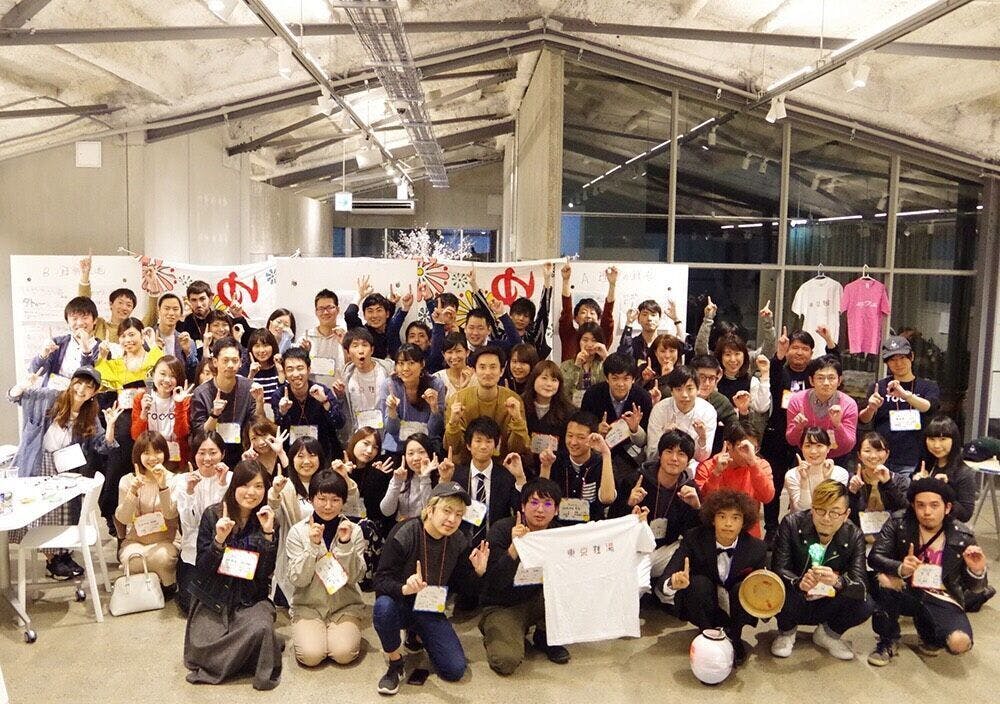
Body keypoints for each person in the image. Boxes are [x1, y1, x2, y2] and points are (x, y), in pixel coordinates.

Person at [373, 481, 490, 694]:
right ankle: (395, 663)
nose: (452, 519)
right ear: (430, 509)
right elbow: (380, 580)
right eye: (447, 511)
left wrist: (478, 573)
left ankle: (416, 634)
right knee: (383, 607)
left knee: (454, 670)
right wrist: (404, 588)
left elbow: (464, 588)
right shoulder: (406, 532)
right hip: (399, 603)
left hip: (429, 607)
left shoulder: (458, 540)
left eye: (458, 514)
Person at [7, 366, 121, 578]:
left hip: (64, 469)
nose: (82, 389)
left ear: (94, 392)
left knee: (65, 512)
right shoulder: (50, 397)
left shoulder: (90, 413)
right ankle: (53, 560)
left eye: (89, 386)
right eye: (79, 383)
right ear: (71, 383)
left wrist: (111, 425)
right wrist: (23, 385)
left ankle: (61, 555)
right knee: (43, 515)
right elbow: (14, 397)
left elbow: (102, 445)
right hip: (38, 464)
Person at [867, 478, 989, 666]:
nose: (927, 512)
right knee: (885, 579)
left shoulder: (962, 535)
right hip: (906, 588)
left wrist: (977, 570)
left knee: (960, 643)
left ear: (947, 507)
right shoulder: (899, 522)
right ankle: (888, 639)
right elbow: (875, 557)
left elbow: (976, 589)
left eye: (934, 505)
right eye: (920, 505)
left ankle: (929, 634)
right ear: (913, 506)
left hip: (942, 594)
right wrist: (900, 567)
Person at [184, 460, 281, 690]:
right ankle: (248, 652)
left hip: (249, 599)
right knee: (201, 648)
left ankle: (249, 649)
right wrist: (219, 540)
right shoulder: (213, 515)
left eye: (258, 486)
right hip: (214, 599)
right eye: (245, 485)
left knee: (262, 628)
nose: (251, 492)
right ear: (234, 485)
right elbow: (202, 569)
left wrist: (268, 535)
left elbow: (264, 573)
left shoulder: (268, 520)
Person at [657, 488, 768, 666]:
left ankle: (735, 636)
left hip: (735, 605)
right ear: (712, 519)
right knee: (698, 583)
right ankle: (708, 633)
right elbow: (666, 578)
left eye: (735, 518)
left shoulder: (757, 548)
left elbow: (764, 589)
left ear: (744, 522)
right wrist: (673, 583)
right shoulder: (694, 538)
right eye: (722, 516)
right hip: (705, 601)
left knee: (745, 587)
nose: (728, 523)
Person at [771, 480, 876, 660]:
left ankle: (828, 634)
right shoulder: (791, 524)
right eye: (820, 510)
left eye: (835, 512)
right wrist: (798, 583)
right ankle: (786, 632)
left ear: (846, 514)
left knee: (866, 604)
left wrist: (838, 582)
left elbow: (861, 584)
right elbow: (779, 568)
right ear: (812, 508)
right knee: (774, 587)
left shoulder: (854, 535)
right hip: (795, 599)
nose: (826, 518)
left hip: (829, 600)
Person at [479, 477, 569, 675]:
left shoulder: (559, 534)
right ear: (522, 506)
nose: (540, 510)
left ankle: (544, 636)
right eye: (534, 502)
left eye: (548, 504)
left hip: (539, 599)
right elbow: (492, 582)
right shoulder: (502, 530)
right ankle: (494, 629)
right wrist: (514, 548)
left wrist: (633, 523)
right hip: (504, 605)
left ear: (556, 509)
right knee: (505, 661)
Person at [762, 327, 838, 539]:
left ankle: (806, 526)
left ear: (812, 352)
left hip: (809, 438)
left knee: (809, 481)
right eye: (794, 347)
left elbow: (834, 367)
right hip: (779, 435)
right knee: (775, 484)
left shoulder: (815, 375)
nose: (799, 352)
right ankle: (771, 529)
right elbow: (774, 370)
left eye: (805, 348)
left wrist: (829, 341)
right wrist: (779, 353)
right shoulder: (781, 371)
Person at [285, 469, 366, 667]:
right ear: (311, 499)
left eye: (335, 500)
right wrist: (312, 547)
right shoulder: (298, 532)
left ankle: (339, 633)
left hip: (345, 606)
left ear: (343, 501)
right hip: (308, 607)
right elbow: (298, 580)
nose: (328, 506)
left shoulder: (354, 531)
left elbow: (356, 577)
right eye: (322, 499)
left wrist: (345, 545)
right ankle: (316, 634)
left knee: (344, 654)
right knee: (311, 656)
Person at [620, 431, 702, 598]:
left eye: (681, 454)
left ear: (688, 461)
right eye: (669, 451)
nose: (674, 458)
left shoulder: (689, 488)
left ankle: (663, 590)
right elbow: (613, 521)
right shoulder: (636, 480)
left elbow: (693, 534)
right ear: (660, 455)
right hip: (635, 549)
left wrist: (696, 507)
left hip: (665, 549)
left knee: (689, 553)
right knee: (633, 590)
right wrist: (628, 504)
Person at [858, 335, 940, 476]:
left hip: (913, 458)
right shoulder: (879, 387)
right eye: (892, 360)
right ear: (887, 363)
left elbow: (929, 407)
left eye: (902, 358)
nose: (898, 363)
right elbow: (863, 420)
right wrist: (871, 408)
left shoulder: (927, 386)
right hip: (880, 456)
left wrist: (906, 396)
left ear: (911, 357)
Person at [114, 431, 180, 598]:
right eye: (146, 452)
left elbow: (170, 514)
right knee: (132, 559)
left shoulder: (174, 480)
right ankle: (142, 590)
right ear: (138, 455)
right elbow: (123, 518)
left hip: (166, 540)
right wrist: (133, 491)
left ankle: (167, 585)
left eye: (157, 451)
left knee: (162, 558)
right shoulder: (127, 480)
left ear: (165, 453)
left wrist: (163, 486)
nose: (152, 458)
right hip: (136, 540)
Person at [174, 430, 230, 612]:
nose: (207, 458)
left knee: (224, 602)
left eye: (213, 453)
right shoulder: (183, 480)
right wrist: (190, 491)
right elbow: (189, 523)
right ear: (194, 454)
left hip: (224, 550)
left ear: (222, 454)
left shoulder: (232, 479)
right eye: (202, 452)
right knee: (189, 605)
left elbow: (224, 518)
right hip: (193, 551)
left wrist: (222, 486)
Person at [444, 347, 530, 465]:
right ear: (474, 371)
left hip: (504, 465)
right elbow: (453, 447)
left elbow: (518, 449)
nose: (488, 372)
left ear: (501, 371)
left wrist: (517, 420)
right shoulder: (458, 400)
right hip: (466, 466)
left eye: (493, 367)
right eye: (482, 367)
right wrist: (453, 423)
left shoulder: (513, 400)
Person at [268, 436, 327, 602]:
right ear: (292, 459)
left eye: (312, 455)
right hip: (294, 556)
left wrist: (346, 481)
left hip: (324, 553)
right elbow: (275, 517)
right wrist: (275, 494)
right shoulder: (286, 487)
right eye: (300, 456)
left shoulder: (329, 483)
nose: (306, 461)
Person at [191, 336, 263, 467]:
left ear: (240, 362)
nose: (230, 365)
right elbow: (199, 434)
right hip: (211, 457)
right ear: (215, 362)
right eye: (225, 360)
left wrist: (259, 402)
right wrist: (214, 415)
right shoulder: (201, 393)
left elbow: (257, 424)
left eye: (235, 360)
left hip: (243, 455)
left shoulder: (249, 388)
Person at [694, 424, 773, 538]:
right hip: (713, 534)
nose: (749, 454)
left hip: (749, 535)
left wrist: (753, 464)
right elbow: (703, 503)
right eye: (744, 448)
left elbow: (767, 497)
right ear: (729, 445)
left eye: (753, 449)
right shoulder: (707, 467)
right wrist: (716, 474)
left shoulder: (761, 465)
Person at [580, 353, 653, 473]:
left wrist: (635, 429)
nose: (620, 384)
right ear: (607, 378)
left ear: (633, 379)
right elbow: (583, 428)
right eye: (615, 378)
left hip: (632, 459)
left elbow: (644, 442)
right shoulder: (592, 394)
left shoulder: (643, 398)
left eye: (626, 378)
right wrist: (596, 429)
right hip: (597, 454)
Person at [538, 411, 616, 522]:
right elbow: (541, 498)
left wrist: (606, 453)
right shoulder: (555, 460)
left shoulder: (602, 463)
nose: (573, 442)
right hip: (558, 525)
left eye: (581, 437)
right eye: (570, 435)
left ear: (592, 437)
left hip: (591, 526)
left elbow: (607, 499)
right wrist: (546, 467)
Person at [272, 347, 345, 460]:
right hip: (292, 455)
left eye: (300, 368)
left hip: (322, 453)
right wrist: (282, 412)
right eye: (290, 369)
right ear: (285, 373)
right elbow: (278, 430)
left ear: (309, 369)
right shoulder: (279, 395)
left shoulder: (322, 391)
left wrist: (325, 402)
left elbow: (339, 423)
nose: (296, 374)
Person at [785, 355, 858, 460]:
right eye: (820, 378)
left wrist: (838, 425)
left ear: (839, 380)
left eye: (831, 378)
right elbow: (791, 441)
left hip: (838, 458)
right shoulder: (797, 401)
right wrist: (799, 427)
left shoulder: (849, 405)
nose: (826, 383)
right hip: (807, 457)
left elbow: (849, 445)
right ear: (811, 380)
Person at [131, 355, 194, 469]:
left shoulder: (183, 399)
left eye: (173, 376)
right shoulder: (141, 398)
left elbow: (182, 433)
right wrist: (144, 413)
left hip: (176, 458)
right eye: (163, 374)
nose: (167, 380)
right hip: (149, 457)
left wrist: (179, 404)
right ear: (153, 374)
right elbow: (136, 436)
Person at [646, 366, 717, 462]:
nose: (684, 395)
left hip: (691, 465)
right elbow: (651, 455)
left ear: (698, 389)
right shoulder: (660, 409)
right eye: (679, 389)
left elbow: (702, 458)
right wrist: (664, 437)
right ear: (671, 391)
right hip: (663, 464)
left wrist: (702, 438)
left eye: (689, 389)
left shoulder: (708, 411)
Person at [913, 416, 976, 523]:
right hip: (922, 524)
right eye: (932, 439)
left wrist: (943, 490)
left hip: (948, 527)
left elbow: (965, 515)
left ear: (954, 441)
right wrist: (916, 485)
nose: (936, 445)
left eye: (943, 439)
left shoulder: (964, 472)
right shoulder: (925, 464)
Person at [847, 432, 909, 539]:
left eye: (879, 450)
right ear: (859, 455)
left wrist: (888, 483)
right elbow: (846, 515)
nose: (873, 456)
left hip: (892, 538)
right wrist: (852, 493)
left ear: (887, 454)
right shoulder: (851, 480)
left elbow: (904, 511)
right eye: (867, 451)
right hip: (857, 538)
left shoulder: (901, 480)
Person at [29, 296, 100, 387]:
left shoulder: (102, 349)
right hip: (52, 394)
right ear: (68, 322)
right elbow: (36, 371)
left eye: (85, 318)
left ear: (95, 320)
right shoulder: (57, 343)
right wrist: (44, 354)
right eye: (74, 318)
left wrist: (86, 350)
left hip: (80, 395)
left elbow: (88, 380)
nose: (79, 323)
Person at [714, 334, 771, 438]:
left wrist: (765, 374)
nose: (733, 359)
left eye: (737, 354)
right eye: (727, 354)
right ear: (720, 357)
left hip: (741, 437)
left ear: (744, 355)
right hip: (714, 435)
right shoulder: (713, 380)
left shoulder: (751, 381)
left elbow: (762, 407)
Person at [339, 328, 393, 438]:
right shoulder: (346, 375)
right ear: (348, 352)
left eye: (364, 345)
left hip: (385, 434)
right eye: (355, 346)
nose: (360, 350)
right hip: (359, 435)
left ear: (372, 350)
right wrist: (340, 395)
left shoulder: (386, 370)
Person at [558, 263, 616, 362]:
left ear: (598, 319)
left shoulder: (602, 337)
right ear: (576, 318)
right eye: (583, 312)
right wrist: (566, 280)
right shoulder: (568, 335)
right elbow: (567, 311)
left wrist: (612, 284)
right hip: (571, 372)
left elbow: (608, 315)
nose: (588, 316)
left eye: (592, 313)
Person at [521, 360, 575, 467]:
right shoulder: (521, 404)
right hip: (524, 464)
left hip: (555, 466)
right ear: (533, 379)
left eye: (554, 380)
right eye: (544, 378)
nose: (549, 384)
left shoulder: (568, 411)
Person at [784, 427, 851, 513]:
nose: (813, 451)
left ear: (828, 448)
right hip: (803, 521)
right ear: (801, 448)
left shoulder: (840, 473)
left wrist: (827, 479)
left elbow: (831, 507)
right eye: (808, 446)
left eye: (819, 446)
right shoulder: (792, 475)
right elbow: (803, 511)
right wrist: (804, 480)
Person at [379, 434, 438, 523]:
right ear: (405, 457)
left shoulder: (438, 477)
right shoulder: (401, 476)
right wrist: (397, 482)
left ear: (429, 454)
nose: (416, 458)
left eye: (421, 452)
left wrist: (425, 477)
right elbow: (386, 511)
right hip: (402, 528)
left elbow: (431, 514)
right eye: (410, 453)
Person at [78, 252, 136, 342]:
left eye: (129, 305)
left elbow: (152, 316)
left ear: (132, 309)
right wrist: (85, 276)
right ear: (111, 304)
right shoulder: (99, 324)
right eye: (120, 303)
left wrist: (153, 288)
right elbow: (84, 305)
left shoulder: (134, 329)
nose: (124, 307)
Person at [178, 279, 250, 350]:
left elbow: (248, 342)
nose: (198, 304)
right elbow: (178, 348)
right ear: (189, 301)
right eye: (194, 300)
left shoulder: (221, 317)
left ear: (210, 299)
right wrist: (181, 319)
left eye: (202, 299)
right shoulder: (185, 321)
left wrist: (238, 317)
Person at [689, 354, 739, 455]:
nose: (707, 383)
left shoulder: (720, 401)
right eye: (702, 377)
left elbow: (734, 428)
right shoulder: (678, 394)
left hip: (706, 453)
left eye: (711, 378)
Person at [143, 293, 198, 377]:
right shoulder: (146, 339)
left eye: (175, 309)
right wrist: (154, 351)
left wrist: (188, 352)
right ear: (158, 310)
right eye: (167, 308)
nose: (171, 313)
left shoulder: (187, 341)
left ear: (181, 313)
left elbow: (194, 374)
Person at [301, 288, 347, 387]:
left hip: (339, 393)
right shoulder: (306, 337)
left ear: (338, 310)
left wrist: (345, 346)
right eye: (321, 309)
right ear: (316, 312)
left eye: (330, 307)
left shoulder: (345, 336)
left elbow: (352, 368)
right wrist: (304, 353)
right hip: (312, 393)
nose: (325, 312)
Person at [345, 277, 401, 359]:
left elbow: (388, 315)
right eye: (370, 311)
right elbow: (349, 314)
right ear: (364, 315)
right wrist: (359, 295)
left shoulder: (390, 327)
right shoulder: (363, 333)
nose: (375, 315)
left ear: (387, 314)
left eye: (379, 310)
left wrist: (391, 302)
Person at [508, 263, 554, 360]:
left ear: (530, 320)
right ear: (510, 315)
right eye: (518, 314)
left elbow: (543, 313)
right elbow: (488, 317)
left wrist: (547, 279)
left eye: (526, 316)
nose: (521, 318)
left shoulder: (534, 336)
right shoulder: (502, 336)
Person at [559, 323, 608, 406]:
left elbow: (613, 387)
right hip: (572, 409)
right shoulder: (566, 365)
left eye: (594, 340)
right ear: (579, 341)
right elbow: (563, 392)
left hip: (598, 408)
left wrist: (606, 357)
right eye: (585, 340)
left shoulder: (604, 365)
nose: (589, 344)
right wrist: (576, 366)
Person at [240, 328, 283, 408]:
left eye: (265, 345)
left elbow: (283, 396)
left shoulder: (279, 367)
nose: (262, 350)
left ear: (273, 347)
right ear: (251, 349)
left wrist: (280, 371)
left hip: (275, 413)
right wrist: (251, 376)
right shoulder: (243, 369)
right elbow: (242, 400)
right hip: (252, 414)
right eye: (257, 346)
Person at [431, 331, 476, 401]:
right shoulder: (437, 379)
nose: (454, 357)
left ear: (467, 352)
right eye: (449, 352)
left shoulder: (478, 378)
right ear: (443, 354)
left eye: (458, 351)